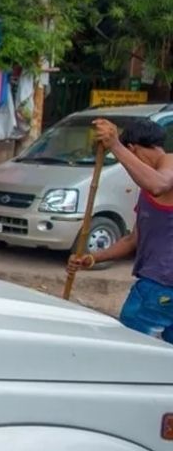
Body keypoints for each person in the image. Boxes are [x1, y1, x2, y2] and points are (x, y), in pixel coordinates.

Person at [67, 118, 173, 344]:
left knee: (130, 347)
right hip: (159, 286)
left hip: (160, 288)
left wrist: (115, 146)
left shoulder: (169, 163)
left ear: (133, 149)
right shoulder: (147, 184)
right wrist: (92, 258)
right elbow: (133, 239)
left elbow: (159, 185)